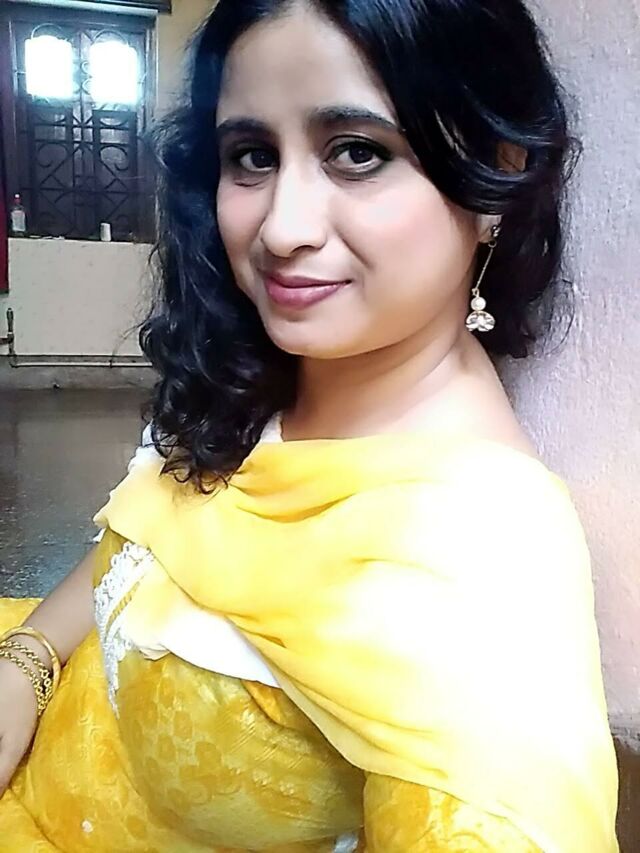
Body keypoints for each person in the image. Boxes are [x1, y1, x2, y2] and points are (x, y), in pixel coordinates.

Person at [0, 0, 620, 850]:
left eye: (358, 152)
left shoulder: (473, 555)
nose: (282, 229)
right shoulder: (266, 377)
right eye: (252, 156)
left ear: (497, 174)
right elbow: (140, 543)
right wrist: (26, 663)